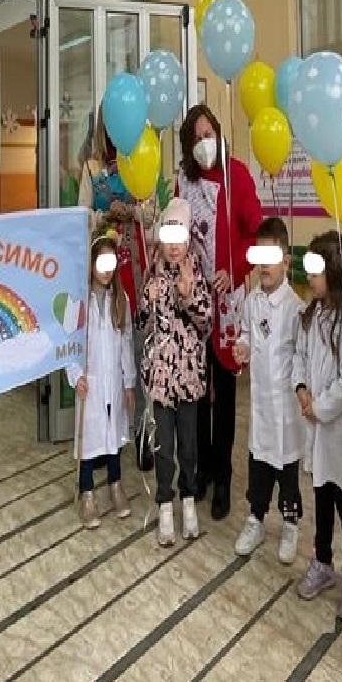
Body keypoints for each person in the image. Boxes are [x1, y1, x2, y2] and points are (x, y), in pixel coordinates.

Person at [175, 103, 261, 521]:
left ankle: (223, 476)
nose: (204, 143)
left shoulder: (237, 175)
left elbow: (256, 234)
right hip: (193, 302)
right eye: (196, 138)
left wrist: (236, 268)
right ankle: (202, 466)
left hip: (228, 302)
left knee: (224, 395)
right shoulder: (184, 181)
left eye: (209, 135)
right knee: (196, 390)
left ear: (220, 135)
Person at [292, 232, 342, 624]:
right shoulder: (311, 315)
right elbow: (299, 357)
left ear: (334, 272)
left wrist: (319, 408)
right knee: (321, 495)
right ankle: (322, 561)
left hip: (339, 432)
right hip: (317, 427)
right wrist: (301, 389)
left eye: (316, 271)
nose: (310, 278)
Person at [136, 199, 213, 548]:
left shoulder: (196, 272)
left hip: (189, 377)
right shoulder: (153, 273)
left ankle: (189, 500)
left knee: (189, 447)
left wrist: (188, 296)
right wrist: (147, 300)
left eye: (178, 238)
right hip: (161, 379)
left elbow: (207, 322)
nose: (173, 246)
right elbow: (141, 323)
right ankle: (165, 503)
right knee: (164, 446)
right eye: (167, 238)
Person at [233, 218, 305, 564]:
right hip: (261, 404)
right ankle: (256, 518)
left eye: (271, 257)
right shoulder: (251, 301)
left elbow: (301, 357)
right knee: (258, 462)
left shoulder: (296, 308)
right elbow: (246, 333)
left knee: (287, 470)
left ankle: (290, 523)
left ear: (286, 261)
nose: (263, 265)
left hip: (286, 409)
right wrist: (242, 347)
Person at [68, 230, 136, 528]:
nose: (107, 270)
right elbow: (69, 344)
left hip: (114, 381)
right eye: (101, 263)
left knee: (113, 435)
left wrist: (129, 381)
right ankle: (86, 493)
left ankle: (115, 484)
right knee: (89, 439)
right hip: (90, 382)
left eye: (112, 263)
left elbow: (126, 342)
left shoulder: (120, 300)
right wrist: (75, 375)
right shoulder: (78, 301)